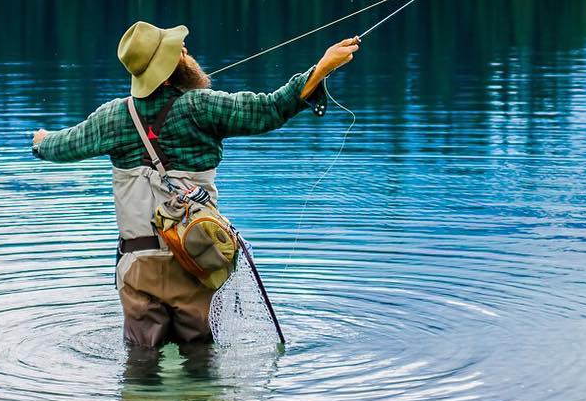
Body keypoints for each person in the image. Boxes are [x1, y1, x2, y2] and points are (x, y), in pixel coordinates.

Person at [32, 21, 359, 348]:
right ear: (173, 64)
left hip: (137, 269)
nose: (185, 52)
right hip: (195, 262)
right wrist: (322, 68)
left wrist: (42, 140)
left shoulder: (111, 117)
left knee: (140, 370)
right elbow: (270, 109)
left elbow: (60, 147)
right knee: (201, 364)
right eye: (178, 50)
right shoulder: (200, 107)